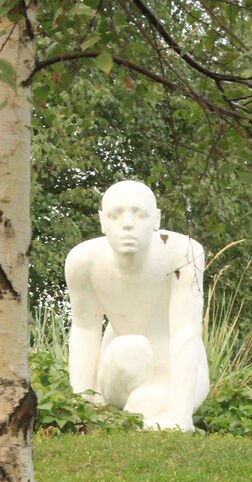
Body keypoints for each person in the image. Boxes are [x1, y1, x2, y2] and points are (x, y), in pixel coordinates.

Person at [65, 180, 209, 431]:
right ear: (102, 221)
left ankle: (141, 415)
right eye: (115, 215)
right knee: (131, 347)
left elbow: (186, 332)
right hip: (123, 365)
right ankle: (132, 416)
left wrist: (181, 416)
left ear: (157, 219)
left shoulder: (183, 253)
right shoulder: (84, 260)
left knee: (146, 404)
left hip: (174, 371)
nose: (128, 224)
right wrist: (83, 409)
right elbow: (84, 330)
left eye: (140, 214)